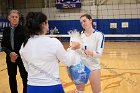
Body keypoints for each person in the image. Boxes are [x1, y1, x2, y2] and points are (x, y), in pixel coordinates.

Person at [19, 12, 79, 93]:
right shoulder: (53, 42)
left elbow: (28, 69)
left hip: (32, 88)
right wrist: (73, 48)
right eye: (47, 22)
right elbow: (68, 61)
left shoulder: (24, 45)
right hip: (52, 86)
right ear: (43, 24)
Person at [74, 14, 105, 93]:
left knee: (97, 91)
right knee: (79, 91)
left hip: (93, 66)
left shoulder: (99, 35)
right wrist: (73, 48)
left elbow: (99, 54)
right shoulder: (79, 35)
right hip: (80, 67)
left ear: (90, 20)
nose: (83, 24)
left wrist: (89, 53)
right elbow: (75, 51)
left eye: (84, 21)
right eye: (81, 23)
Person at [1, 10, 27, 93]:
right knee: (11, 77)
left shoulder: (24, 30)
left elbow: (27, 44)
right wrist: (10, 53)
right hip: (10, 58)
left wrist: (17, 54)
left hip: (22, 58)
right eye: (12, 17)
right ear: (9, 18)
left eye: (16, 17)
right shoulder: (5, 30)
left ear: (19, 18)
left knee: (25, 77)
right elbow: (3, 45)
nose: (14, 18)